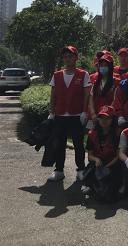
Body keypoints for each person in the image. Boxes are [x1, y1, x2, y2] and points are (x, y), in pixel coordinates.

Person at [47, 46, 92, 182]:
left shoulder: (83, 74)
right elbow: (53, 95)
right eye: (65, 57)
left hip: (76, 114)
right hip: (60, 114)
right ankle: (59, 170)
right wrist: (51, 113)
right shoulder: (57, 75)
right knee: (59, 144)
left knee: (78, 144)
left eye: (70, 57)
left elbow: (86, 94)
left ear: (76, 58)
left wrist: (84, 112)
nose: (67, 59)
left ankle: (81, 169)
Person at [83, 105, 121, 198]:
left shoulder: (119, 133)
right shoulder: (92, 134)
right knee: (91, 168)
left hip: (112, 163)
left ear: (112, 119)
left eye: (107, 118)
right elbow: (90, 155)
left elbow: (118, 155)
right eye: (101, 118)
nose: (104, 120)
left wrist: (107, 167)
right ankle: (91, 186)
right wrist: (96, 159)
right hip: (98, 163)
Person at [88, 54, 120, 126]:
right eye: (101, 65)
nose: (103, 67)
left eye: (106, 65)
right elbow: (91, 97)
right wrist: (93, 113)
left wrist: (105, 114)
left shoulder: (116, 82)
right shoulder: (96, 82)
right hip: (96, 116)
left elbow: (115, 100)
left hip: (109, 117)